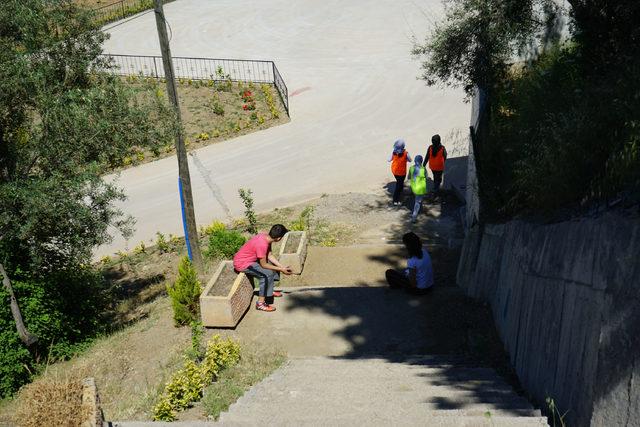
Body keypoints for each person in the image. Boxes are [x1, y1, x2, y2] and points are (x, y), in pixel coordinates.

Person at [233, 224, 293, 312]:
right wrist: (281, 270)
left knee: (273, 266)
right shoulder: (262, 245)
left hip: (250, 259)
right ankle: (260, 304)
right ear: (279, 238)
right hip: (243, 263)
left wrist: (282, 267)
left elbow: (270, 255)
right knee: (266, 275)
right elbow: (264, 265)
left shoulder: (265, 237)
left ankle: (268, 289)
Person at [388, 139, 412, 206]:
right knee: (399, 185)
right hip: (402, 173)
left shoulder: (393, 152)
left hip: (394, 171)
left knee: (400, 183)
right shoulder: (406, 153)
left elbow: (389, 159)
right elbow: (410, 160)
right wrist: (405, 159)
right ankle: (396, 200)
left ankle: (399, 196)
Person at [408, 155, 427, 223]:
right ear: (421, 161)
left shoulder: (411, 168)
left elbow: (409, 177)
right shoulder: (423, 169)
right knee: (417, 202)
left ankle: (420, 208)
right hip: (420, 189)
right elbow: (426, 177)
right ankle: (414, 217)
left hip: (414, 188)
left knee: (418, 199)